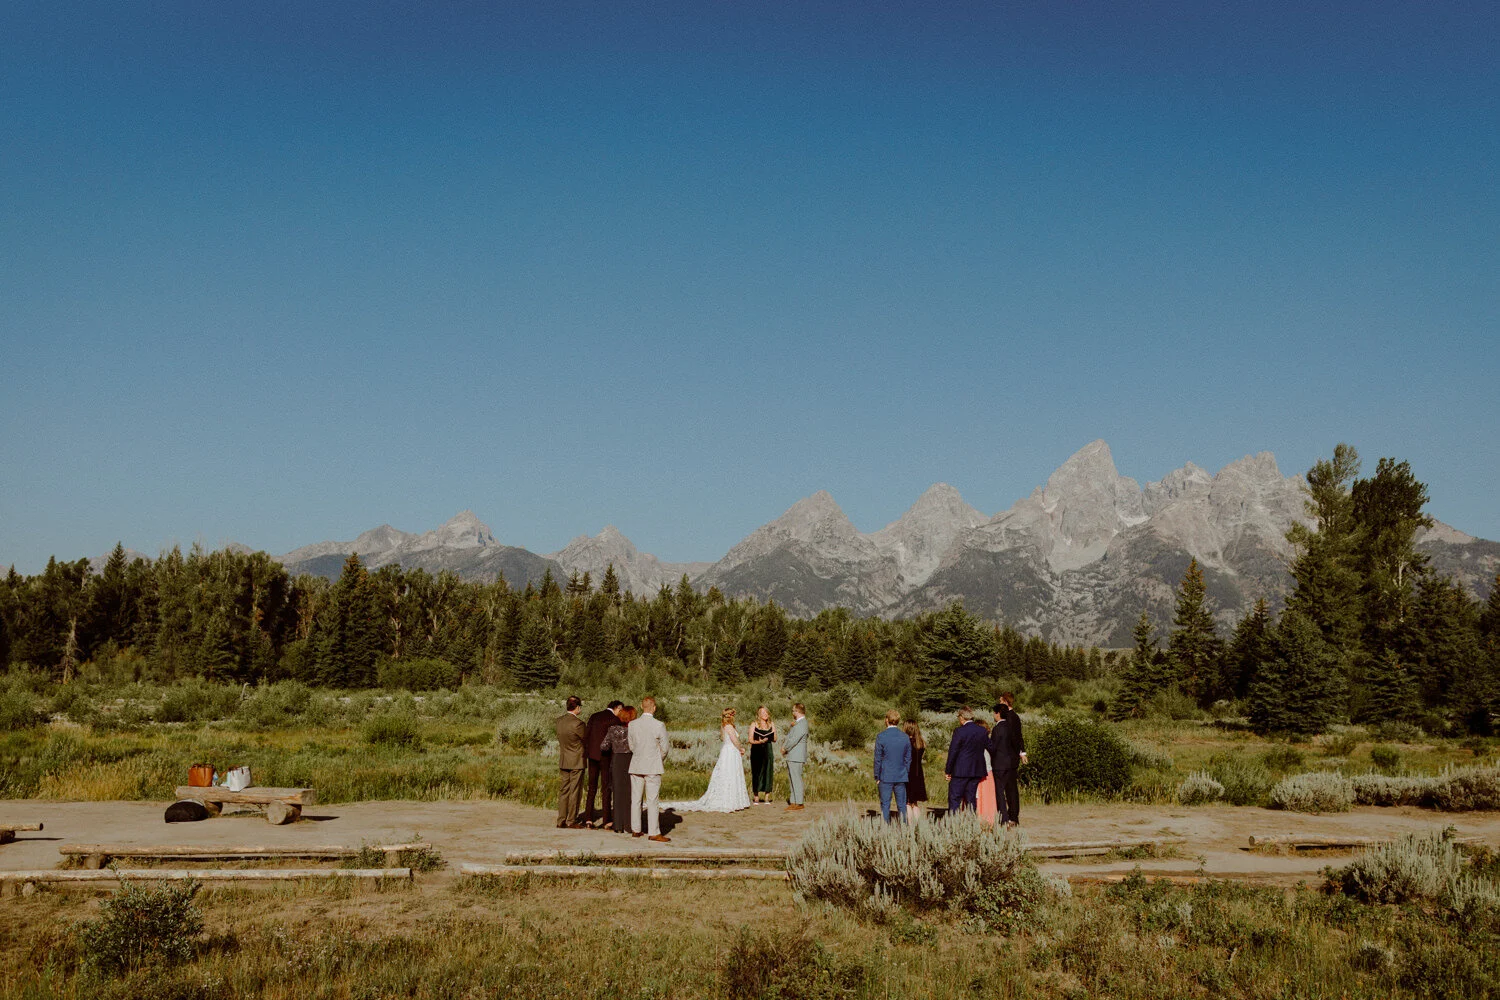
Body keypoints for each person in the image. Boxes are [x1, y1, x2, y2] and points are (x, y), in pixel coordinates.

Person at [663, 708, 751, 812]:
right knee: (731, 773)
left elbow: (723, 739)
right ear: (731, 716)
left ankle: (731, 799)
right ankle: (731, 800)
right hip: (731, 751)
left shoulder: (723, 726)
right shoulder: (729, 727)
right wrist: (741, 748)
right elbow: (734, 740)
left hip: (727, 750)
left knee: (727, 773)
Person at [627, 696, 671, 842]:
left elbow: (631, 746)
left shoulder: (632, 724)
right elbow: (665, 748)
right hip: (652, 765)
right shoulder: (659, 725)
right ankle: (653, 832)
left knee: (636, 799)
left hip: (636, 764)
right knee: (652, 800)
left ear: (641, 706)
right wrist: (659, 759)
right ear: (654, 707)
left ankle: (636, 829)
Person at [584, 700, 623, 829]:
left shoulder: (594, 716)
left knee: (592, 787)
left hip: (592, 756)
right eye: (620, 710)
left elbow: (587, 735)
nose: (620, 713)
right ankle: (607, 820)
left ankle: (588, 819)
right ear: (616, 708)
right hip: (606, 757)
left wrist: (587, 753)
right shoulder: (615, 720)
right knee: (606, 788)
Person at [990, 693, 1026, 827]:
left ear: (1005, 702)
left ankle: (1012, 817)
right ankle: (1011, 816)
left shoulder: (1011, 718)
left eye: (1000, 700)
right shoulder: (1013, 717)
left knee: (1009, 790)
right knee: (1010, 789)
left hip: (1007, 760)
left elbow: (1017, 738)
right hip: (1010, 759)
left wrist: (1022, 752)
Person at [944, 706, 988, 814]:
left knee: (955, 798)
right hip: (976, 770)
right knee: (971, 799)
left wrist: (948, 770)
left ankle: (953, 824)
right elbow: (990, 746)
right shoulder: (982, 730)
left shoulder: (959, 731)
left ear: (962, 717)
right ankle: (971, 823)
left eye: (959, 717)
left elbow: (953, 751)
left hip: (960, 771)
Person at [554, 695, 588, 829]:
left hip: (564, 759)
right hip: (577, 760)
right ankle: (571, 820)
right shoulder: (578, 724)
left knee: (564, 791)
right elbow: (586, 739)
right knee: (575, 791)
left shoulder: (559, 721)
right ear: (578, 707)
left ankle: (561, 819)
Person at [872, 709, 912, 824]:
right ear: (898, 721)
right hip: (901, 776)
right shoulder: (905, 737)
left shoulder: (881, 736)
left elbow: (878, 759)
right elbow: (908, 759)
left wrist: (877, 776)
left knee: (885, 804)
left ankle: (886, 829)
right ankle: (904, 829)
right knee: (902, 805)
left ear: (886, 720)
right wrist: (905, 772)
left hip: (885, 776)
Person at [602, 705, 636, 834]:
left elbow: (604, 746)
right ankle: (628, 824)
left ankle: (618, 825)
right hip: (630, 760)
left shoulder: (612, 729)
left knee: (617, 793)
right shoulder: (634, 730)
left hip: (616, 761)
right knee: (629, 793)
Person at [781, 703, 809, 811]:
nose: (792, 713)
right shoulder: (799, 724)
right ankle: (794, 801)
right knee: (792, 778)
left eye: (793, 711)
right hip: (793, 755)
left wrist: (785, 748)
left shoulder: (802, 724)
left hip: (796, 755)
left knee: (796, 779)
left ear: (797, 712)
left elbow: (794, 739)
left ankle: (799, 802)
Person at [748, 706, 777, 804]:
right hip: (756, 750)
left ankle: (767, 797)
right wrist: (759, 742)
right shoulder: (754, 724)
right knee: (756, 772)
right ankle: (756, 796)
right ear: (759, 714)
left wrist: (771, 735)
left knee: (768, 771)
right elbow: (750, 740)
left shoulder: (771, 724)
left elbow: (775, 739)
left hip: (768, 750)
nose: (765, 714)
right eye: (762, 712)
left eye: (766, 712)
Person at [902, 719, 928, 822]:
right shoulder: (920, 742)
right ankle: (918, 825)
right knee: (915, 803)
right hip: (918, 774)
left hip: (908, 774)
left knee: (907, 802)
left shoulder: (905, 743)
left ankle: (910, 826)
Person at [974, 718, 998, 825]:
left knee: (981, 798)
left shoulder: (981, 746)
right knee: (986, 799)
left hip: (982, 774)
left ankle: (981, 818)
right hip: (988, 774)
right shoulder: (988, 745)